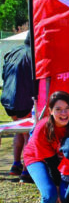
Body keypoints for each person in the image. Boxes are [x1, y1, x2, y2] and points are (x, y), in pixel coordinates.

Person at [1, 30, 33, 176]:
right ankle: (26, 170)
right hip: (23, 99)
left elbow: (4, 74)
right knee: (27, 134)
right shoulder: (34, 55)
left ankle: (15, 164)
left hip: (8, 99)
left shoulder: (13, 52)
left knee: (18, 130)